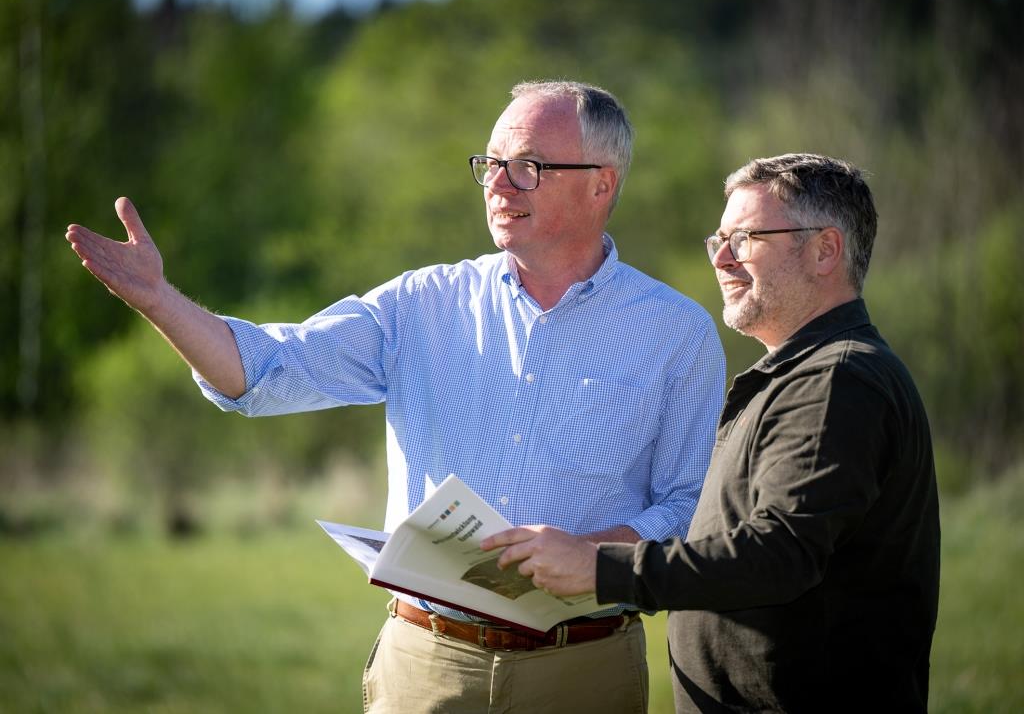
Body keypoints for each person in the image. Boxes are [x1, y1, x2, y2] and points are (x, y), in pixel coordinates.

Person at [65, 80, 726, 713]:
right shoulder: (421, 303)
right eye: (490, 163)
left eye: (526, 165)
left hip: (585, 668)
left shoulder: (678, 334)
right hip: (426, 663)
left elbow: (688, 506)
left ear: (600, 183)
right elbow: (265, 370)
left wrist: (592, 557)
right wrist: (159, 301)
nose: (497, 183)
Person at [484, 153, 941, 713]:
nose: (722, 260)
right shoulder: (805, 375)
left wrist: (598, 568)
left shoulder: (836, 381)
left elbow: (778, 555)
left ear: (825, 250)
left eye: (746, 238)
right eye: (718, 240)